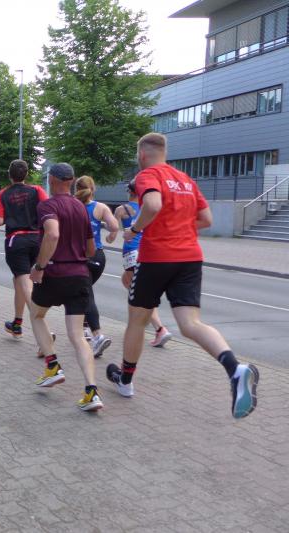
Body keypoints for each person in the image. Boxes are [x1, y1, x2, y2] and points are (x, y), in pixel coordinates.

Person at [108, 133, 258, 419]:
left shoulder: (148, 175)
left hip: (156, 258)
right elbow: (206, 219)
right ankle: (234, 368)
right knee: (191, 324)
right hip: (190, 258)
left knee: (137, 320)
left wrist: (135, 230)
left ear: (142, 155)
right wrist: (178, 226)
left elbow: (152, 205)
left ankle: (125, 381)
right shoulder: (187, 180)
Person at [28, 163, 102, 412]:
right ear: (71, 181)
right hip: (80, 275)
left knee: (36, 314)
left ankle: (52, 365)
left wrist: (40, 266)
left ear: (51, 179)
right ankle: (91, 392)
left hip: (54, 273)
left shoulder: (48, 205)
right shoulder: (81, 207)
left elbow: (52, 234)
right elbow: (91, 249)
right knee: (78, 336)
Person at [0, 160, 48, 340]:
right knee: (19, 280)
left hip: (16, 241)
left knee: (24, 281)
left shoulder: (3, 194)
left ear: (9, 175)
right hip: (37, 239)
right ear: (26, 174)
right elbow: (47, 210)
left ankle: (43, 328)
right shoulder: (37, 190)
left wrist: (13, 214)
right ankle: (17, 324)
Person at [114, 180, 172, 347]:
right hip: (147, 251)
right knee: (127, 282)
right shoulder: (147, 209)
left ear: (129, 192)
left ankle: (159, 329)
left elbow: (113, 230)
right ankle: (139, 321)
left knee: (141, 295)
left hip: (131, 253)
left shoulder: (122, 209)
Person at [74, 176, 118, 358]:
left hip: (80, 257)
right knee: (82, 292)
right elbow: (114, 226)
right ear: (93, 189)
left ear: (76, 189)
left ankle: (98, 336)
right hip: (98, 256)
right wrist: (110, 236)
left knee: (86, 295)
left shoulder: (72, 205)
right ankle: (84, 328)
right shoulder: (101, 207)